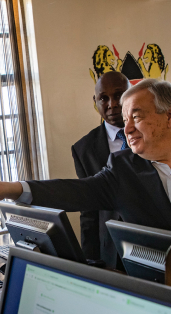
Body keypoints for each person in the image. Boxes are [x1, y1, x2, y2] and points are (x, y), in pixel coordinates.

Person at [0, 79, 171, 249]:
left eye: (137, 116)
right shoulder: (122, 169)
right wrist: (12, 189)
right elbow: (75, 192)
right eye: (125, 119)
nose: (128, 128)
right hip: (163, 299)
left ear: (170, 116)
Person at [71, 71, 130, 269]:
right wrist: (88, 262)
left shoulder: (149, 135)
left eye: (119, 95)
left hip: (154, 245)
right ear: (95, 101)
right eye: (103, 98)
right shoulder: (83, 149)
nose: (112, 104)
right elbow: (88, 211)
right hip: (111, 251)